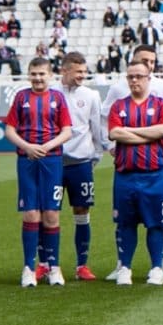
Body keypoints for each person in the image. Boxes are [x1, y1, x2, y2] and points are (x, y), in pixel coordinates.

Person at [101, 44, 163, 279]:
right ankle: (125, 269)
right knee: (125, 223)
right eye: (130, 77)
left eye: (139, 77)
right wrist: (144, 135)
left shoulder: (160, 104)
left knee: (156, 223)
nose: (134, 81)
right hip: (126, 174)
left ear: (149, 78)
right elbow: (114, 133)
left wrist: (131, 132)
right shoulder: (119, 105)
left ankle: (157, 268)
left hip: (155, 174)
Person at [5, 57, 72, 288]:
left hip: (52, 161)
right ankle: (28, 268)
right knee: (31, 214)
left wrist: (47, 146)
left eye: (42, 74)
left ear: (50, 75)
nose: (37, 78)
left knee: (52, 215)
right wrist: (27, 147)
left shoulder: (58, 98)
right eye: (33, 73)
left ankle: (54, 267)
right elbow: (9, 129)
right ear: (29, 75)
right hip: (27, 161)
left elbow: (67, 130)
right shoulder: (21, 97)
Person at [52, 51, 105, 282]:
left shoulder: (91, 95)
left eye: (85, 71)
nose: (82, 76)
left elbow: (96, 126)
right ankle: (46, 264)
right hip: (53, 163)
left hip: (81, 164)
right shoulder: (51, 93)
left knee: (82, 211)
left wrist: (96, 156)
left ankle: (82, 265)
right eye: (78, 72)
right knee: (49, 213)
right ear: (64, 71)